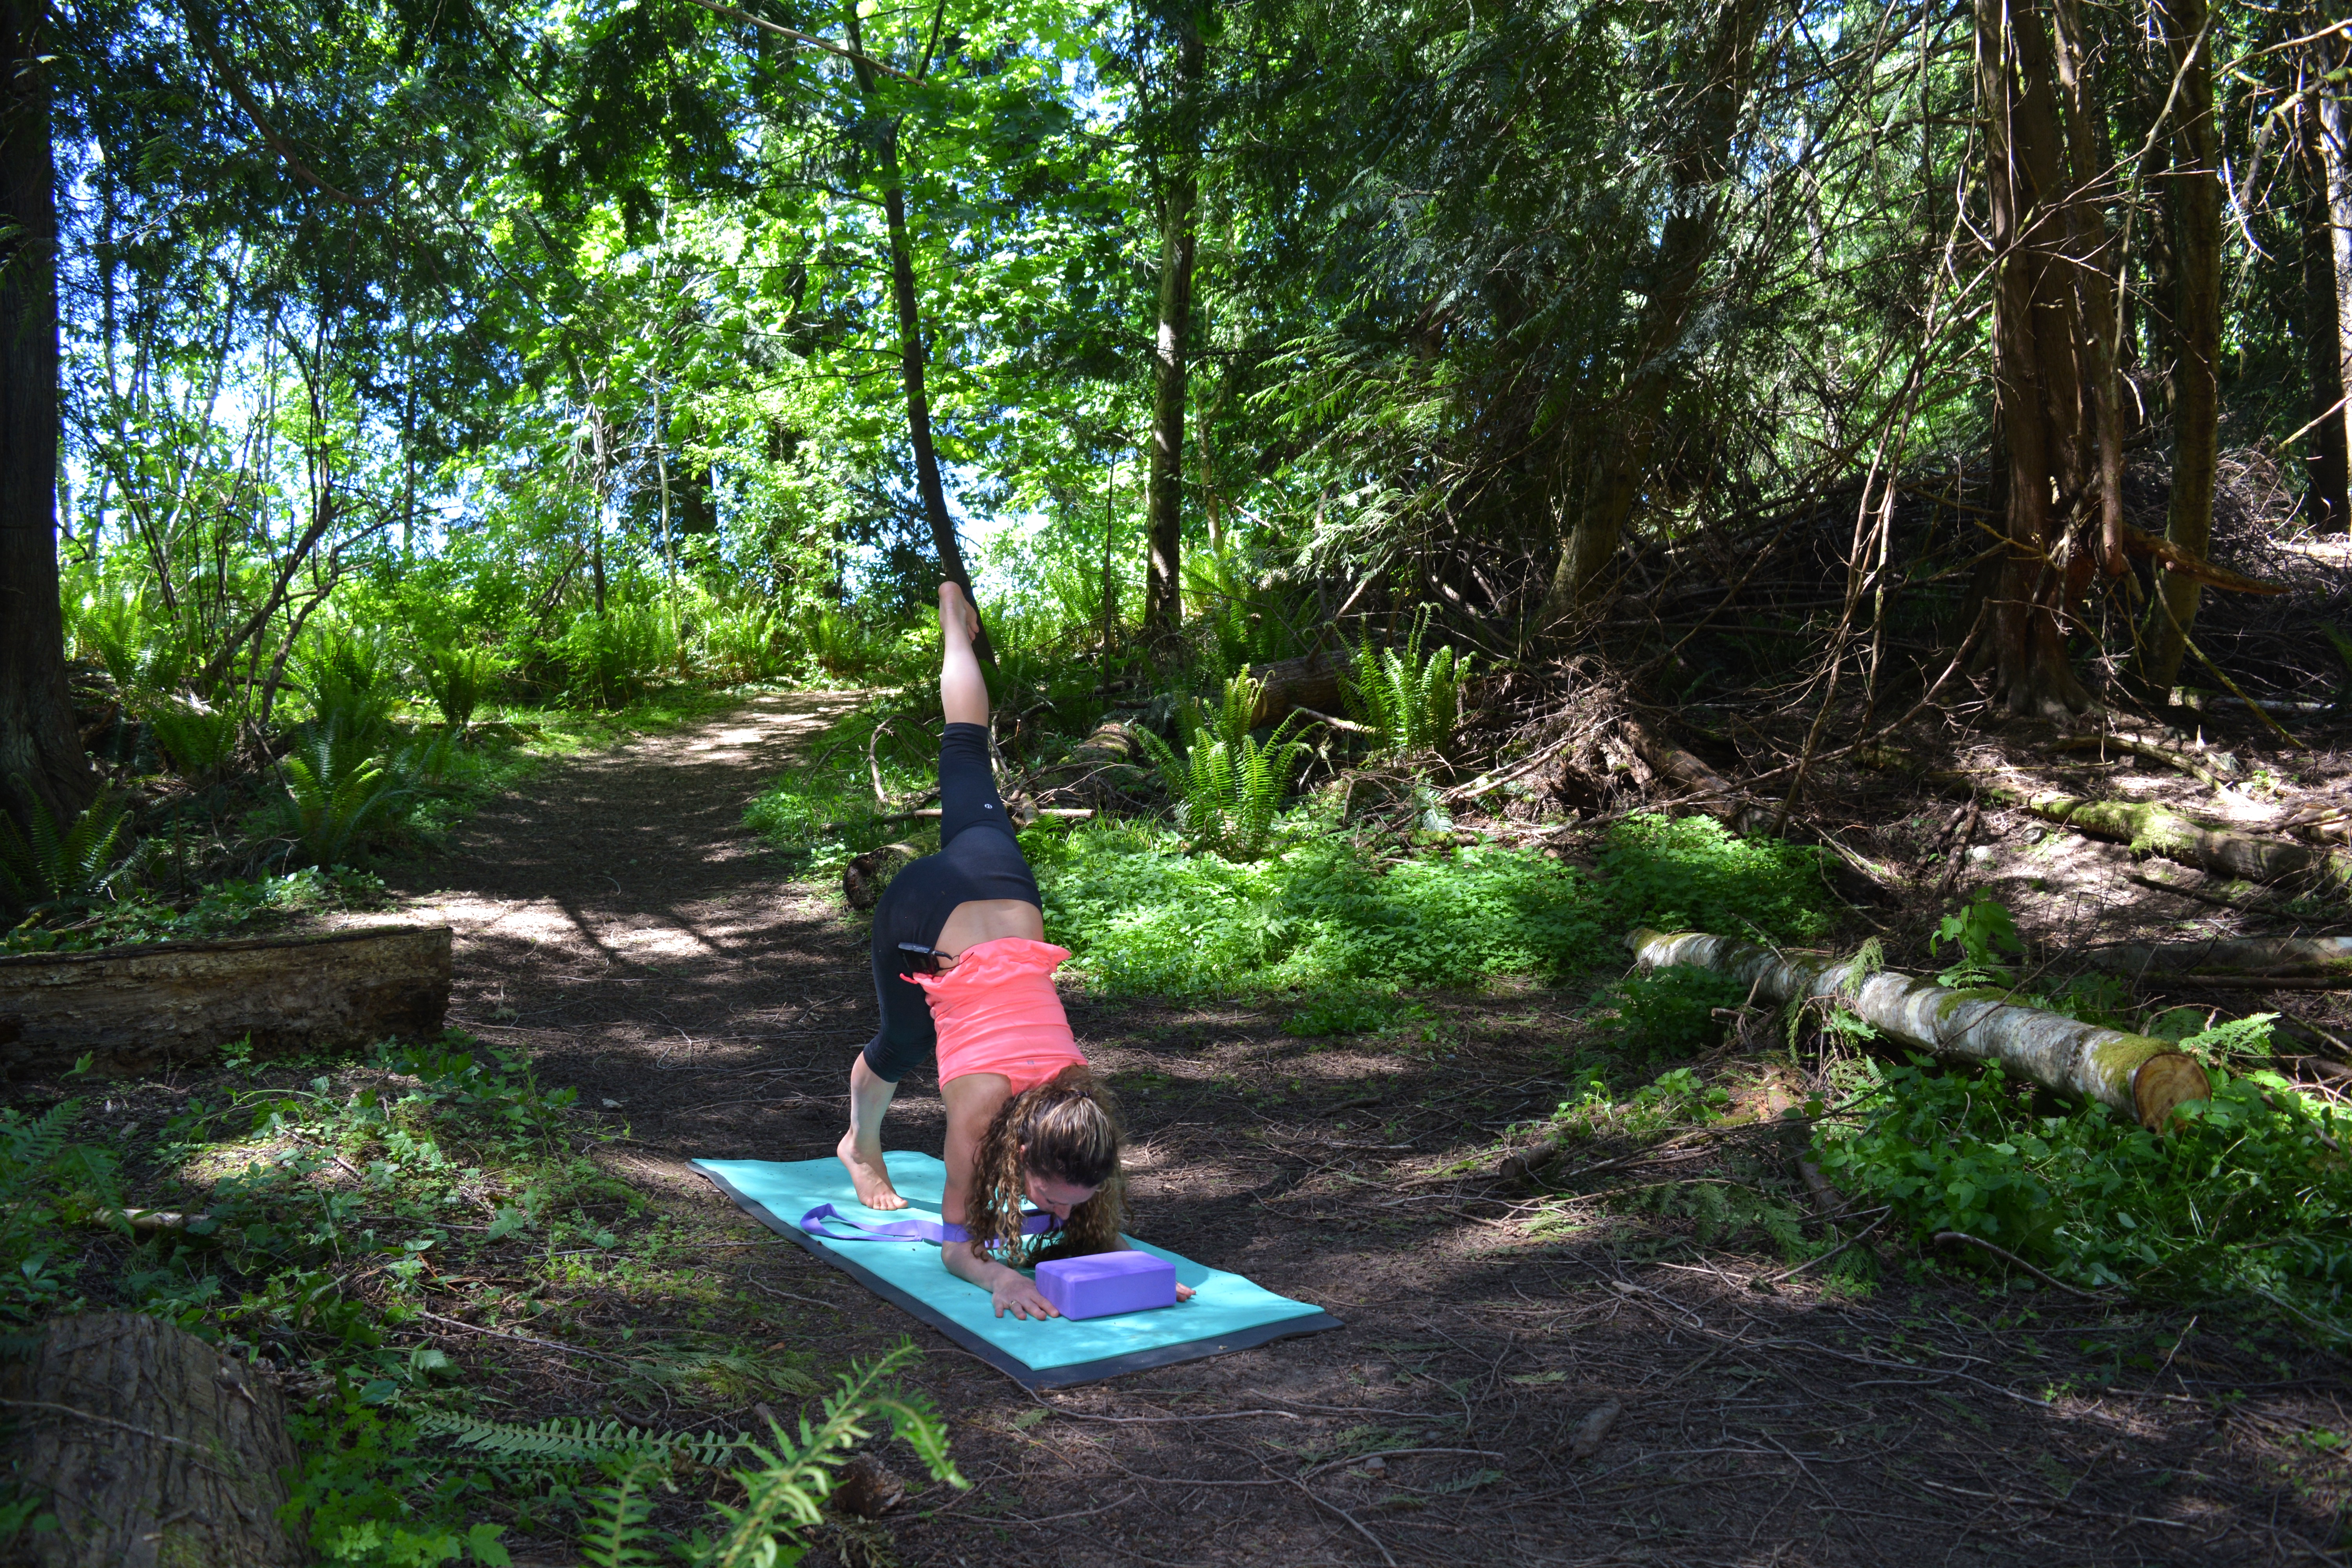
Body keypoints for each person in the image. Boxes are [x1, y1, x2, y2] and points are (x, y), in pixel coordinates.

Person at [838, 582, 1194, 1321]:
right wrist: (1001, 1278)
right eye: (1049, 1200)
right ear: (1021, 1152)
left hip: (1006, 895)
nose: (1058, 1217)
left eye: (1070, 1207)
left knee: (965, 745)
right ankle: (859, 1145)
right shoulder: (978, 1115)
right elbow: (955, 1245)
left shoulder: (1083, 1116)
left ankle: (954, 629)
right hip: (925, 913)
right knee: (905, 1041)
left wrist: (1129, 1268)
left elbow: (1079, 1210)